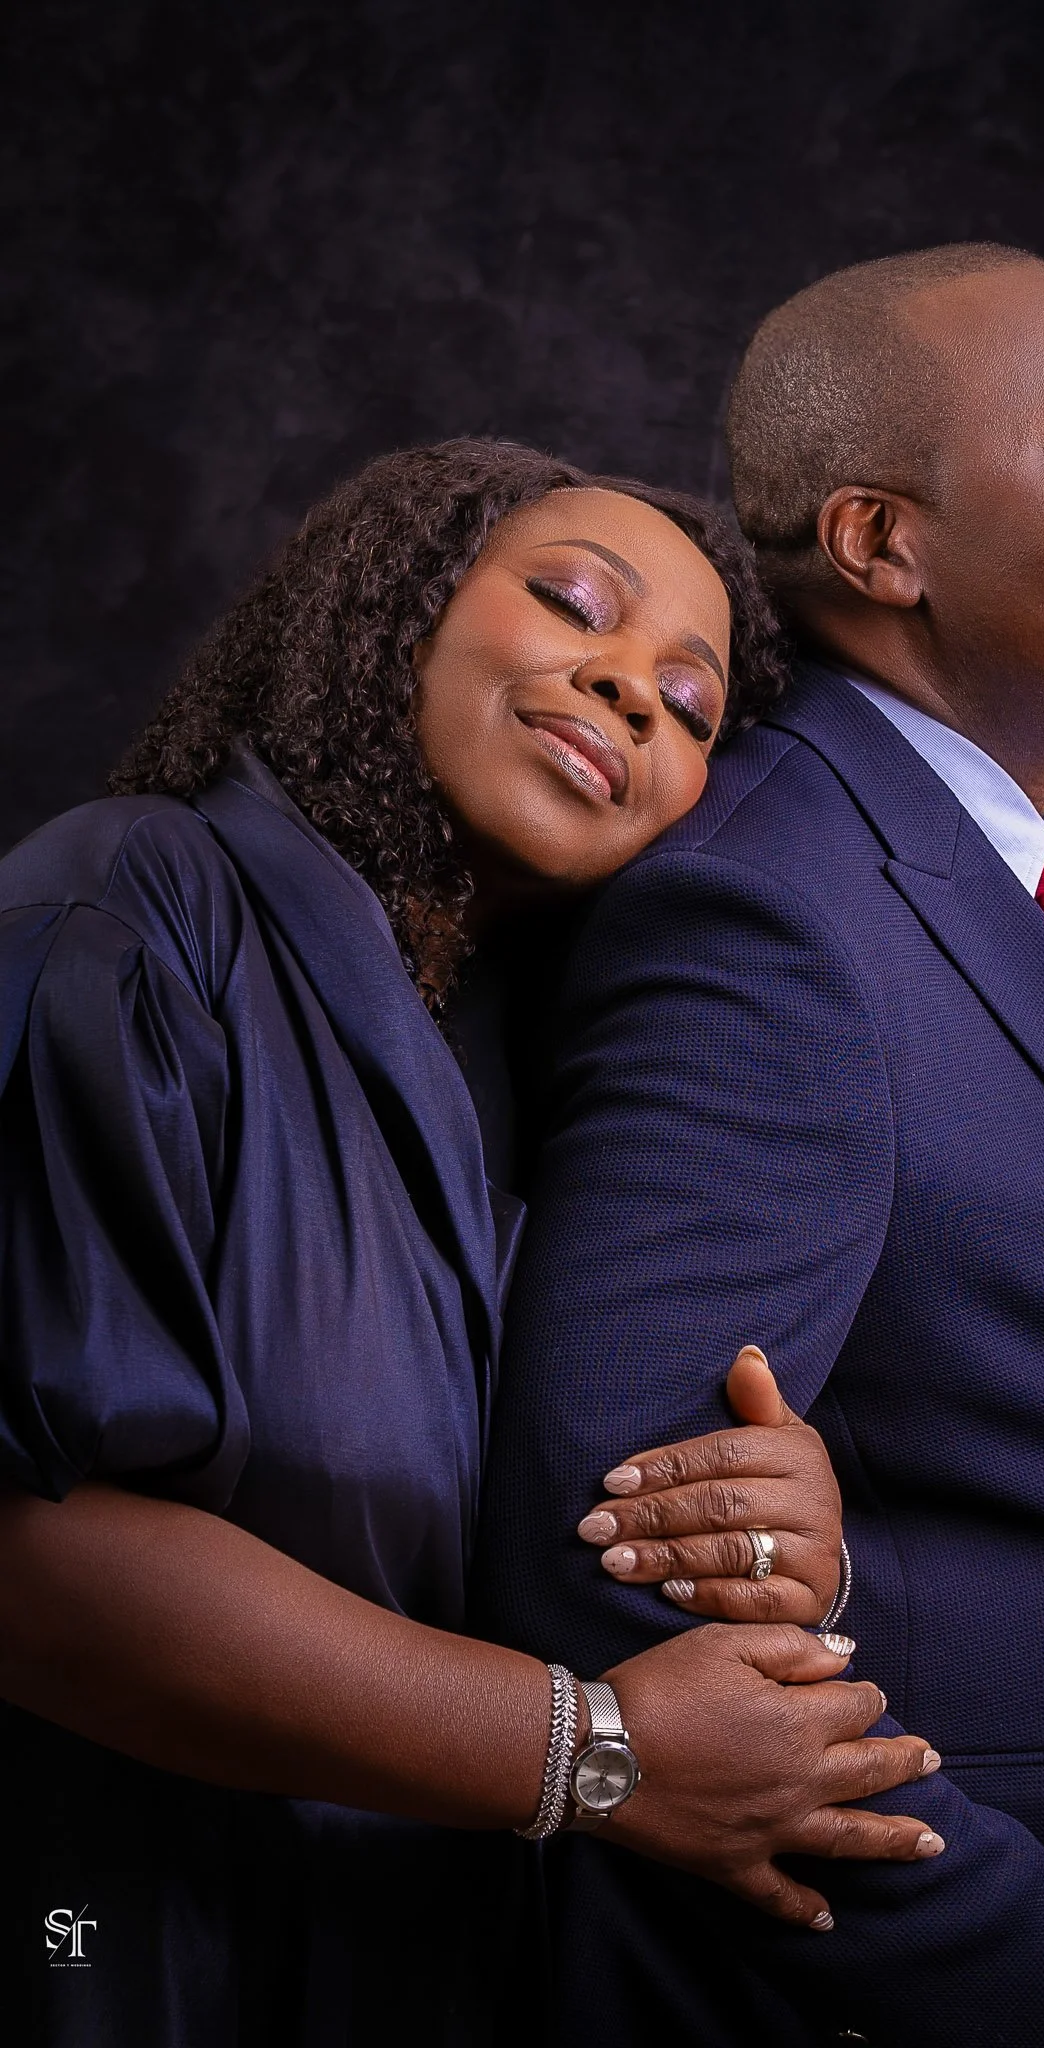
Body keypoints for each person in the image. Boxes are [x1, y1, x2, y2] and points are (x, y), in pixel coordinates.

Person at [476, 249, 1044, 2047]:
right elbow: (615, 1548)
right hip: (991, 1957)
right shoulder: (766, 912)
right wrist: (999, 1954)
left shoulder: (1015, 870)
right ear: (881, 545)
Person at [0, 440, 946, 2048]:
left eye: (695, 705)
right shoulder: (124, 913)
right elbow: (35, 1564)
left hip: (415, 1958)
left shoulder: (537, 1069)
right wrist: (591, 1749)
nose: (636, 693)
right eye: (574, 603)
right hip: (97, 1942)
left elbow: (528, 1504)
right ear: (402, 606)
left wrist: (771, 1526)